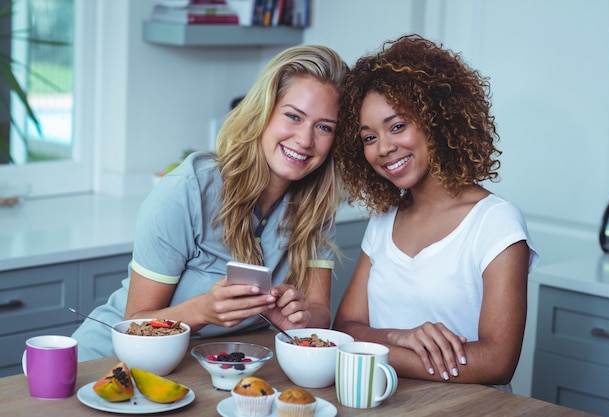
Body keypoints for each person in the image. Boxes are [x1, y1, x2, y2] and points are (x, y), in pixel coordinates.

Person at [72, 44, 348, 361]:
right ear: (263, 112)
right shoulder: (188, 191)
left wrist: (298, 318)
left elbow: (319, 314)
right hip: (108, 361)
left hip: (203, 367)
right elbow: (135, 324)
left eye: (324, 127)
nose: (305, 139)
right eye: (292, 116)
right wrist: (203, 310)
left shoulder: (316, 205)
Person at [332, 34, 539, 392]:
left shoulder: (495, 222)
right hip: (386, 402)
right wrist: (400, 336)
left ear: (437, 121)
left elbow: (497, 362)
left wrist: (373, 349)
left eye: (398, 126)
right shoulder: (383, 222)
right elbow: (344, 329)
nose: (384, 148)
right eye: (368, 137)